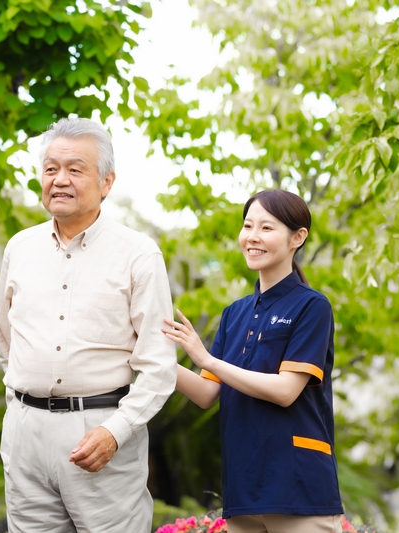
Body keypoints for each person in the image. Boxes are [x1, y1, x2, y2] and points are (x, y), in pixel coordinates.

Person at [0, 117, 177, 533]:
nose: (60, 180)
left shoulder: (138, 255)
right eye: (51, 168)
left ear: (107, 182)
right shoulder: (19, 248)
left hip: (102, 433)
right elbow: (5, 334)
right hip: (25, 433)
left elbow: (159, 366)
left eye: (75, 169)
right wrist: (26, 395)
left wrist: (115, 432)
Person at [162, 189, 344, 533]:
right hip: (243, 492)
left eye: (267, 228)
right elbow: (205, 394)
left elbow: (286, 391)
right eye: (248, 226)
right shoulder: (234, 314)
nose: (252, 237)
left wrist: (207, 359)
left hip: (299, 491)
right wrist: (149, 359)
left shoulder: (312, 307)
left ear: (298, 237)